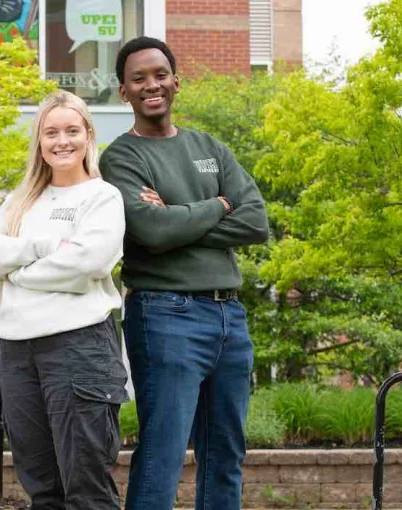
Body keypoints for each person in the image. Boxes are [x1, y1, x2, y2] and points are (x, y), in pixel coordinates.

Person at [99, 36, 270, 510]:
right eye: (139, 79)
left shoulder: (209, 147)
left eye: (159, 75)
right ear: (124, 92)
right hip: (164, 314)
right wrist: (217, 205)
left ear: (177, 81)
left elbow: (256, 221)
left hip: (229, 318)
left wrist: (179, 214)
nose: (151, 85)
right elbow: (151, 232)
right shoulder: (122, 158)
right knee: (164, 451)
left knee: (226, 452)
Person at [0, 90, 129, 510]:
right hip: (16, 351)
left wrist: (18, 273)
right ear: (39, 142)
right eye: (52, 132)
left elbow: (88, 261)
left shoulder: (103, 197)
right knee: (42, 489)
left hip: (78, 348)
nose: (62, 141)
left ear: (88, 136)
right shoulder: (21, 200)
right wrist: (41, 248)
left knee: (86, 488)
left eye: (72, 130)